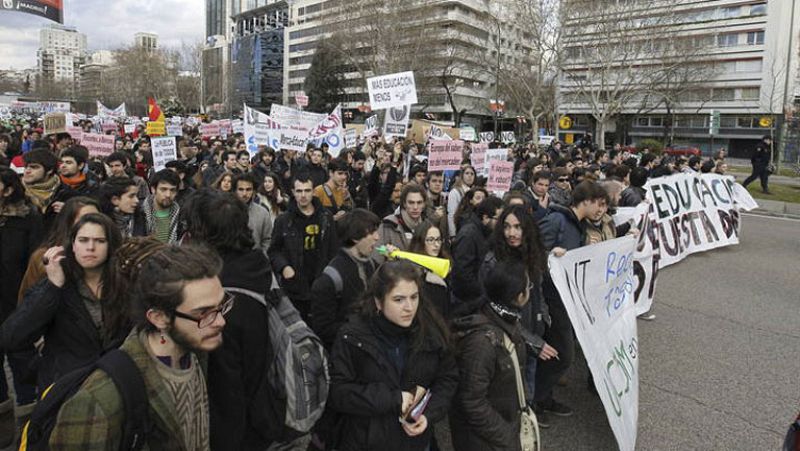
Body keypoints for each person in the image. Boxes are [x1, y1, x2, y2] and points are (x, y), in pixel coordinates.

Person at [48, 244, 230, 450]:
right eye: (203, 313)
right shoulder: (99, 399)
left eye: (221, 306)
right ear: (159, 318)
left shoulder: (194, 353)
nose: (220, 321)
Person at [182, 189, 281, 450]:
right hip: (262, 411)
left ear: (201, 234)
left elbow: (227, 391)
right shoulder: (255, 264)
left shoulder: (219, 300)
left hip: (237, 428)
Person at [328, 260, 458, 451]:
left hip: (416, 442)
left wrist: (428, 415)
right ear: (378, 302)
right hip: (366, 442)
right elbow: (338, 393)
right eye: (399, 299)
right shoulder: (353, 337)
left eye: (414, 297)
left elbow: (447, 379)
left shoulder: (431, 332)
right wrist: (393, 399)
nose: (409, 307)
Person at [1, 213, 127, 391]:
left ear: (110, 245)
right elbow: (12, 337)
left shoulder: (124, 284)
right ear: (73, 245)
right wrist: (53, 287)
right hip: (67, 389)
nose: (90, 247)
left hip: (115, 385)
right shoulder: (55, 283)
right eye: (83, 240)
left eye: (99, 241)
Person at [535, 181, 610, 421]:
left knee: (560, 354)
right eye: (597, 203)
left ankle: (543, 398)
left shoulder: (578, 226)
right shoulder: (557, 221)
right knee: (564, 355)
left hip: (565, 298)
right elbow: (534, 252)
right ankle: (536, 401)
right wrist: (550, 255)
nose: (600, 209)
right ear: (585, 201)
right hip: (550, 299)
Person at [449, 260, 532, 451]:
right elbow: (472, 402)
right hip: (483, 441)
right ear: (519, 296)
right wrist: (509, 437)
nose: (530, 290)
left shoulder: (506, 319)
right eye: (529, 286)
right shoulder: (482, 343)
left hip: (497, 429)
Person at [0, 168, 43, 446]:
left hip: (17, 308)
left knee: (24, 371)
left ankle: (28, 431)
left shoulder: (28, 219)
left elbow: (34, 268)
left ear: (8, 189)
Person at [268, 171, 338, 321]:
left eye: (307, 190)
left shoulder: (326, 217)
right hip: (295, 285)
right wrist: (284, 267)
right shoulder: (284, 220)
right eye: (299, 191)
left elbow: (333, 249)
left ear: (313, 191)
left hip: (321, 282)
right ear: (293, 192)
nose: (303, 195)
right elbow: (273, 251)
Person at [310, 208, 380, 349]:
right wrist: (361, 328)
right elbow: (323, 329)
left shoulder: (373, 266)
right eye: (371, 232)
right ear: (355, 236)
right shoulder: (330, 279)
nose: (377, 237)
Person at [450, 196, 504, 317]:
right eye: (498, 219)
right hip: (467, 303)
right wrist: (484, 293)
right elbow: (462, 274)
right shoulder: (468, 235)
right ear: (485, 218)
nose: (502, 224)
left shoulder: (487, 233)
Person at [408, 221, 450, 318]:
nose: (436, 245)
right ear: (420, 242)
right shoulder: (416, 272)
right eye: (430, 240)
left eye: (438, 240)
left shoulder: (444, 263)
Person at [376, 184, 427, 258]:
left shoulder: (428, 226)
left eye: (419, 203)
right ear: (404, 203)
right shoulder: (388, 225)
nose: (415, 207)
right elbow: (377, 255)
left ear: (424, 204)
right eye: (411, 203)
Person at [233, 173, 273, 253]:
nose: (244, 194)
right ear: (235, 191)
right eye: (241, 189)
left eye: (248, 189)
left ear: (254, 191)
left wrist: (262, 258)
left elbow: (267, 240)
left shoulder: (263, 213)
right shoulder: (226, 211)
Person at [143, 169, 182, 244]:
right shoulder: (140, 213)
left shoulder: (181, 215)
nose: (168, 195)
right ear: (153, 189)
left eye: (172, 190)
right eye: (163, 189)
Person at [446, 165, 476, 238]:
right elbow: (451, 214)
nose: (469, 176)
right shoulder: (455, 192)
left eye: (472, 174)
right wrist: (453, 234)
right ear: (462, 176)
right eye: (467, 173)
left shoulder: (476, 191)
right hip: (459, 230)